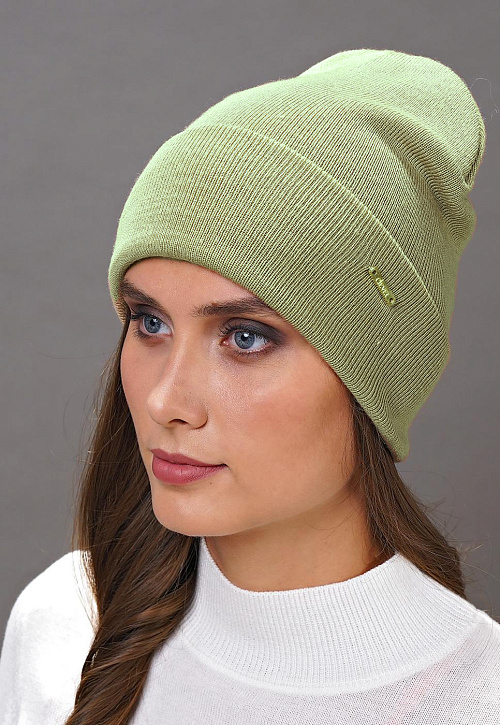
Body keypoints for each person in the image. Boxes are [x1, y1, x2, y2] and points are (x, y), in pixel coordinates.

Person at [0, 47, 498, 725]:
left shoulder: (478, 700)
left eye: (245, 337)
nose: (164, 401)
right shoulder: (64, 627)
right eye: (149, 322)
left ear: (376, 377)